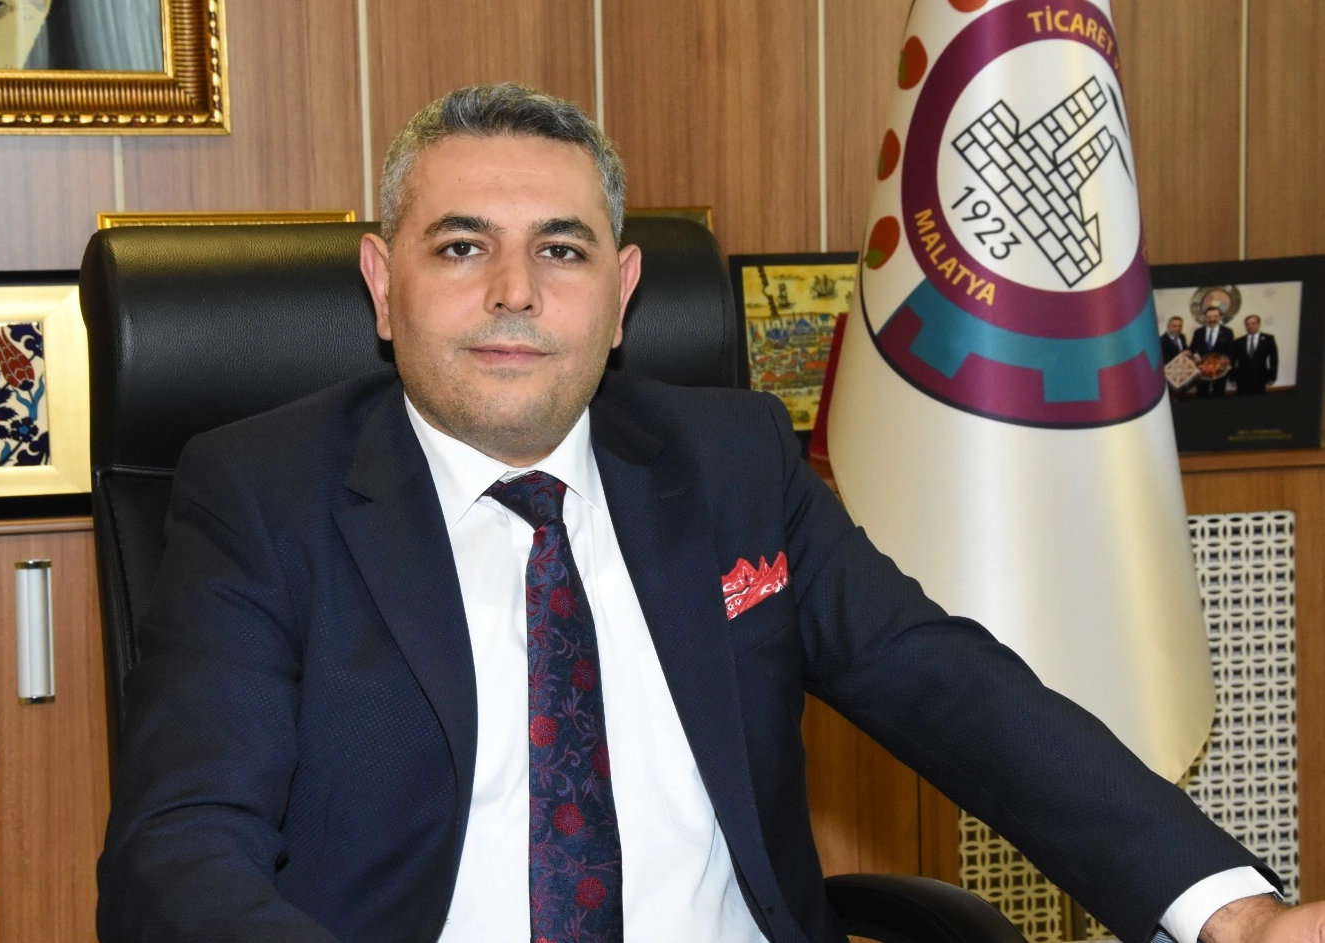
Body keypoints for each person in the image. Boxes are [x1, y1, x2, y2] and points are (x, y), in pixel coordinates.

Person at [97, 84, 1325, 943]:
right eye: (461, 247)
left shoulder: (729, 461)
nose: (514, 292)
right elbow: (180, 846)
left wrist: (1231, 911)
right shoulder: (263, 495)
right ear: (382, 282)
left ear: (622, 290)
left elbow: (951, 688)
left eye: (562, 250)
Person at [1190, 307, 1235, 397]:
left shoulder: (1227, 332)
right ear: (1205, 318)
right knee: (1202, 396)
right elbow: (1193, 348)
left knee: (1219, 396)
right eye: (1209, 317)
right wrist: (1195, 356)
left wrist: (1226, 366)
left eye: (1215, 316)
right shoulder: (1198, 332)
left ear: (1220, 317)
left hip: (1220, 371)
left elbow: (1231, 351)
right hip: (1202, 372)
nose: (1212, 319)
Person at [1232, 315, 1279, 395]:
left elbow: (1273, 359)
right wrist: (1232, 378)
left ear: (1259, 324)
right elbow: (1233, 360)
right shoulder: (1238, 341)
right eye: (1248, 324)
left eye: (1253, 323)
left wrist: (1272, 377)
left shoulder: (1268, 339)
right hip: (1242, 378)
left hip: (1260, 377)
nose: (1250, 326)